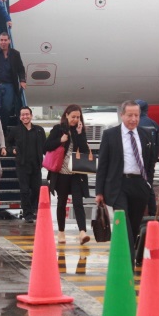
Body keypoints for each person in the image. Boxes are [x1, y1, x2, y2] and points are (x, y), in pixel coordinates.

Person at [96, 100, 157, 266]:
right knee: (124, 224)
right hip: (118, 185)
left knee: (135, 224)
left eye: (136, 115)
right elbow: (103, 164)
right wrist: (99, 191)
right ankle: (128, 261)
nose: (133, 119)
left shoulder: (145, 135)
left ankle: (131, 254)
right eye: (130, 115)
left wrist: (148, 183)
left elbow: (151, 161)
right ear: (122, 115)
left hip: (139, 184)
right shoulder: (110, 135)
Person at [44, 104, 91, 245]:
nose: (75, 119)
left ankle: (82, 232)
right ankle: (61, 232)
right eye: (73, 117)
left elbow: (83, 150)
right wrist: (60, 140)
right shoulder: (58, 129)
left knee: (78, 202)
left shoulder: (80, 131)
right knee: (62, 202)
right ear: (66, 116)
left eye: (78, 117)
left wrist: (79, 133)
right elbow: (46, 146)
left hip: (76, 173)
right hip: (61, 173)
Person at [6, 106, 46, 223]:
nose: (25, 116)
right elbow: (7, 143)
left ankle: (33, 209)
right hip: (22, 165)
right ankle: (27, 214)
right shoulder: (15, 131)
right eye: (22, 115)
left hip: (36, 165)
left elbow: (45, 146)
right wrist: (11, 150)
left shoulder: (39, 130)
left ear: (31, 116)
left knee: (36, 189)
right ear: (20, 117)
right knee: (24, 190)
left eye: (27, 114)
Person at [135, 99, 159, 216]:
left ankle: (137, 213)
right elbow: (157, 145)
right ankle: (152, 213)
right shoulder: (154, 125)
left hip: (136, 162)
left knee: (135, 187)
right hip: (150, 163)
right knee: (149, 187)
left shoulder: (136, 123)